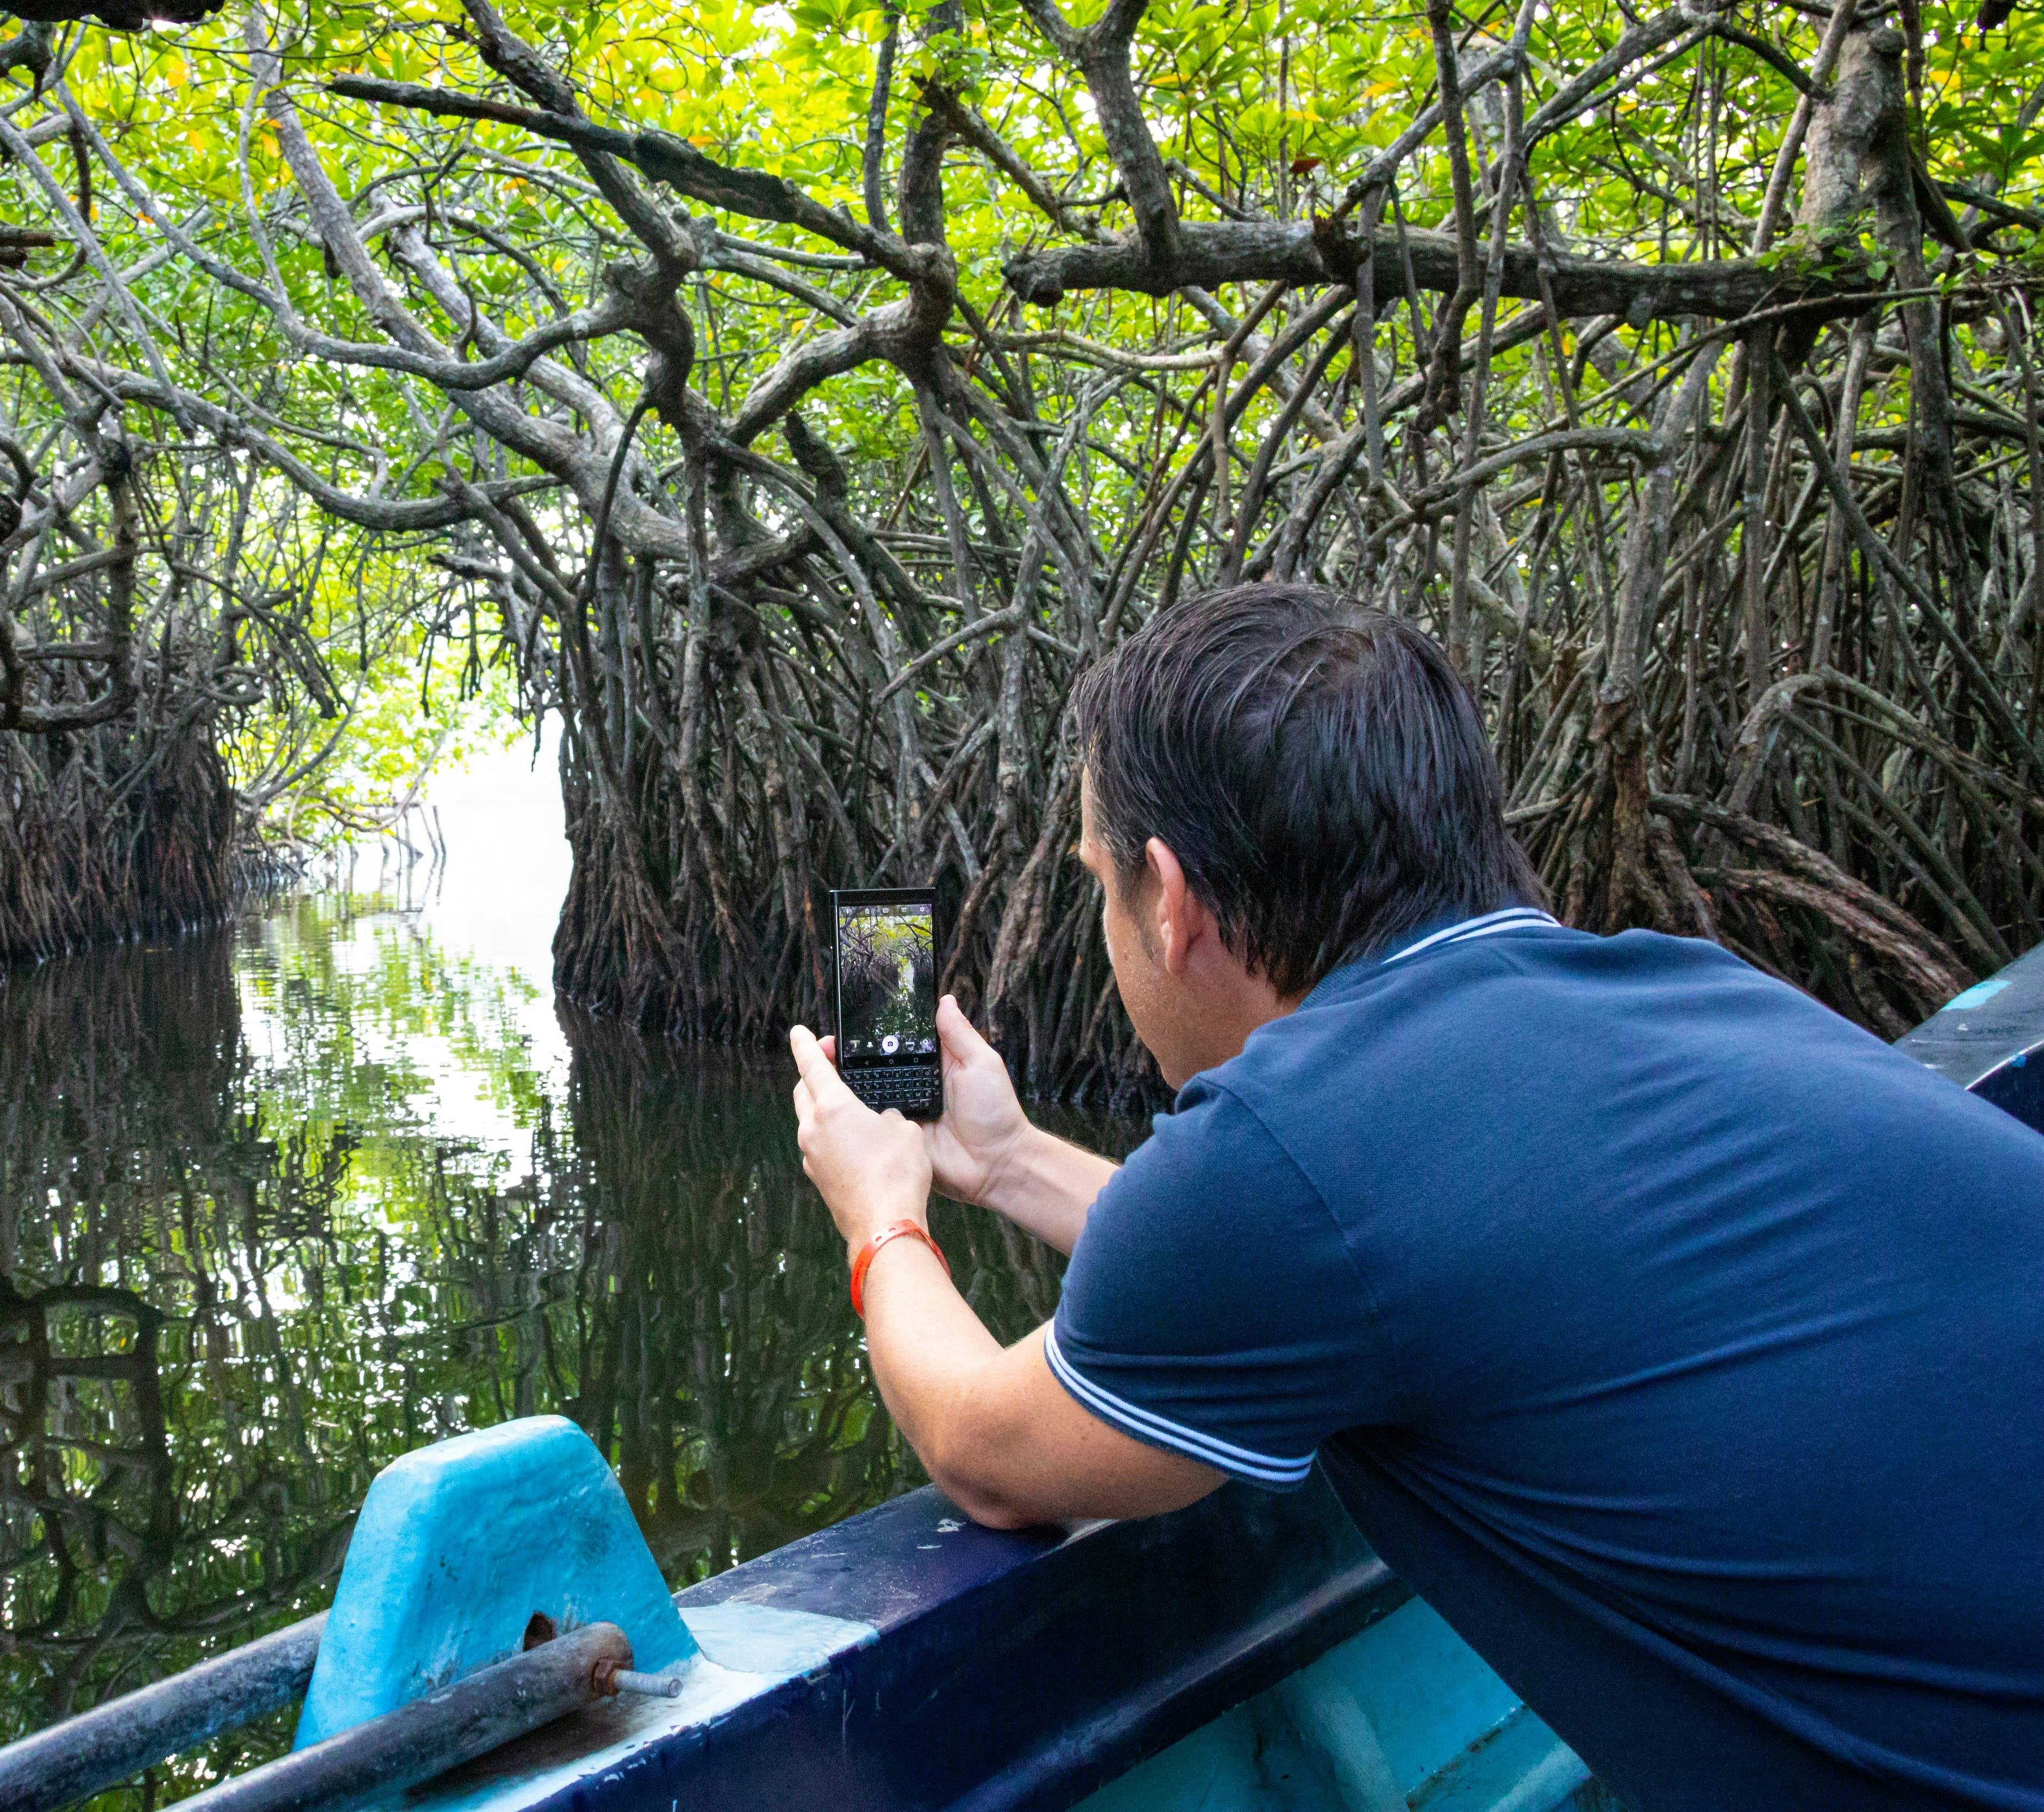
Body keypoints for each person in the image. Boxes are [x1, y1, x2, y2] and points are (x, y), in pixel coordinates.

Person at [786, 583, 2044, 1811]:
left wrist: (878, 1212)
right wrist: (1007, 1160)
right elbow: (1367, 1256)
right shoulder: (1673, 981)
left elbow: (984, 1451)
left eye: (1098, 880)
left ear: (1168, 902)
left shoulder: (1282, 1158)